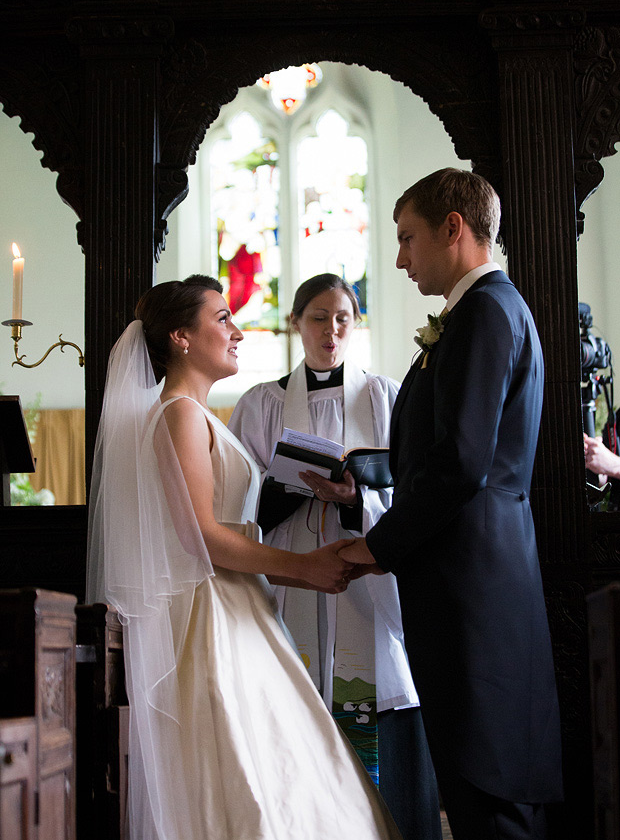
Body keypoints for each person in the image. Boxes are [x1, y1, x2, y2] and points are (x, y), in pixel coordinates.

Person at [86, 274, 403, 840]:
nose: (236, 331)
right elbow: (201, 536)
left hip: (239, 604)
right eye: (223, 318)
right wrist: (305, 569)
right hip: (213, 614)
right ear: (182, 337)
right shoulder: (180, 413)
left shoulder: (199, 414)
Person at [340, 169, 563, 840]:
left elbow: (464, 462)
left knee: (489, 788)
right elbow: (460, 450)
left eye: (408, 239)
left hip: (474, 586)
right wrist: (369, 472)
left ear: (454, 228)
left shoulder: (486, 313)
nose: (402, 258)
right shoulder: (481, 313)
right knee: (476, 783)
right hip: (473, 575)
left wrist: (375, 546)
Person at [228, 273, 442, 840]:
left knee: (377, 684)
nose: (331, 329)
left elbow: (411, 492)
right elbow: (235, 501)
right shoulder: (262, 403)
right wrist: (287, 489)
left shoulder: (383, 395)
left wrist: (357, 497)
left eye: (343, 317)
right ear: (296, 323)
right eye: (318, 317)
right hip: (291, 573)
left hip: (366, 577)